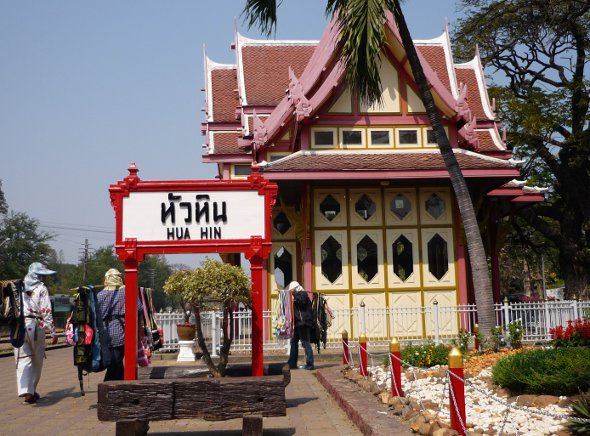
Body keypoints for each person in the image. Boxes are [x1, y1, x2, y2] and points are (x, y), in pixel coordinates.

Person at [15, 262, 58, 404]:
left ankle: (25, 391)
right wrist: (52, 332)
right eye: (43, 275)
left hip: (19, 326)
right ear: (38, 275)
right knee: (37, 360)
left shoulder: (18, 287)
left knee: (22, 360)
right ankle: (31, 391)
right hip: (35, 326)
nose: (45, 278)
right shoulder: (41, 288)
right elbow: (46, 311)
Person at [96, 268, 142, 381]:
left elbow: (95, 315)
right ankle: (108, 388)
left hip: (105, 332)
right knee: (115, 364)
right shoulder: (128, 291)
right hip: (122, 331)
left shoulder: (100, 295)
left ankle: (117, 389)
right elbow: (139, 309)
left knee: (115, 362)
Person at [286, 281, 314, 370]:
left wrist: (294, 293)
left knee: (305, 343)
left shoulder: (303, 294)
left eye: (292, 290)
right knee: (293, 342)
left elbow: (301, 302)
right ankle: (292, 363)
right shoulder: (296, 296)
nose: (291, 292)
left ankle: (310, 364)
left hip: (304, 323)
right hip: (298, 323)